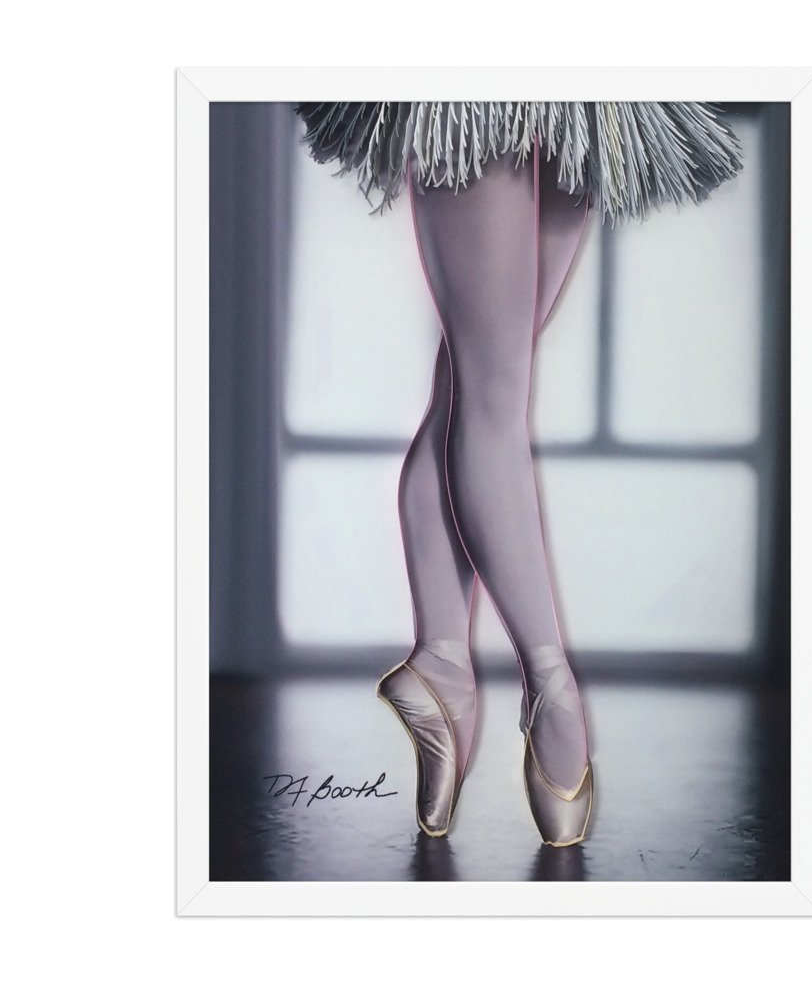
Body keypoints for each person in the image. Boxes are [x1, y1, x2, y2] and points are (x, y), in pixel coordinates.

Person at [294, 101, 743, 847]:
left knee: (474, 384)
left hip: (582, 83)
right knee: (491, 387)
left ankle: (443, 662)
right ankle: (549, 682)